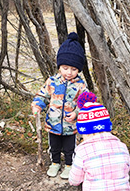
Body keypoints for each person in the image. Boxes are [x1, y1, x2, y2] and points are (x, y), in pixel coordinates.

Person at [31, 32, 88, 179]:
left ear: (79, 69)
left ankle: (70, 165)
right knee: (54, 146)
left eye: (74, 69)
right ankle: (55, 163)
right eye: (65, 68)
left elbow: (86, 103)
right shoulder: (52, 82)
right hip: (53, 123)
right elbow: (42, 95)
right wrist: (37, 105)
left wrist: (76, 112)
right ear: (59, 66)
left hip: (71, 126)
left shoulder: (81, 86)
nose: (69, 73)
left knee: (70, 148)